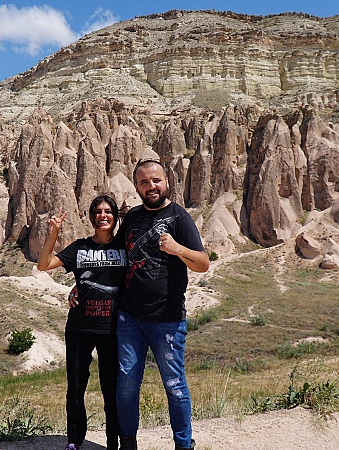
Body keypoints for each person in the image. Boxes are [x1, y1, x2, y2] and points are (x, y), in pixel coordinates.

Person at [116, 159, 210, 450]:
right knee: (127, 383)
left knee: (174, 385)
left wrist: (177, 248)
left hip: (167, 319)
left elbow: (202, 264)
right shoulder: (132, 218)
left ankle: (183, 445)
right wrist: (83, 284)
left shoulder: (180, 218)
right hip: (129, 317)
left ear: (167, 182)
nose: (151, 187)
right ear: (137, 187)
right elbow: (117, 257)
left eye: (156, 180)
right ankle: (127, 444)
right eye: (144, 182)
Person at [37, 194, 125, 450]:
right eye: (97, 212)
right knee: (75, 388)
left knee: (112, 389)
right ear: (91, 217)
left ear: (115, 216)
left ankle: (113, 443)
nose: (102, 216)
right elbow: (44, 265)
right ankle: (74, 441)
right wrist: (54, 232)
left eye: (107, 211)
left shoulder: (124, 247)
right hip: (79, 327)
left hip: (112, 329)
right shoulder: (80, 247)